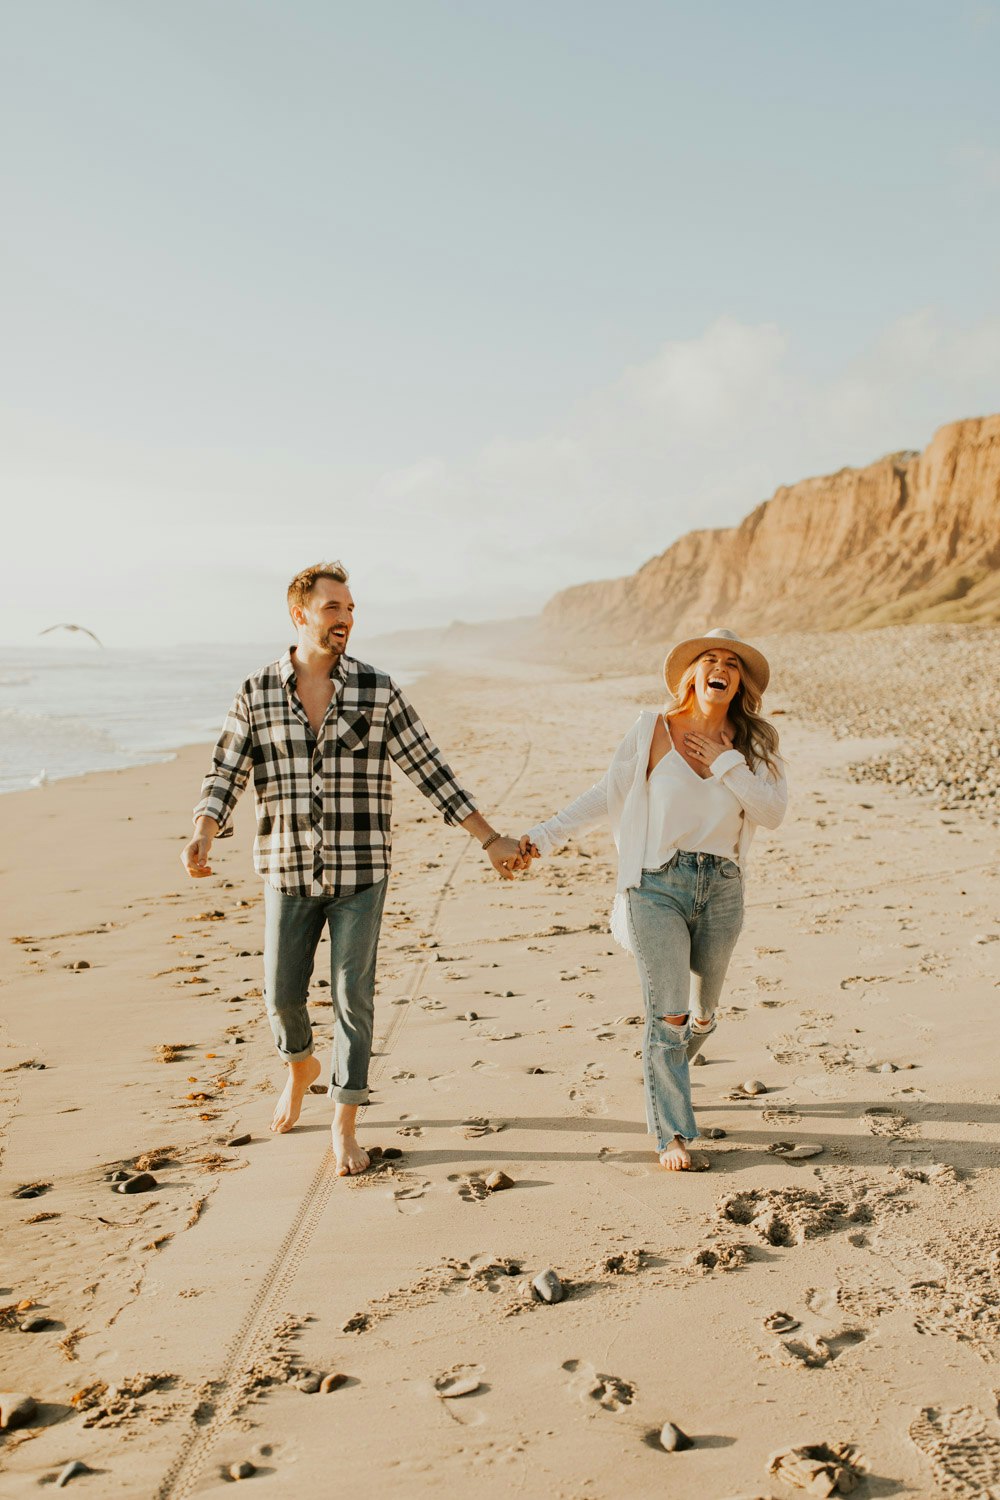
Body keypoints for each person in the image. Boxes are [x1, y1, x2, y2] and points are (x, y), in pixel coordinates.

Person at [182, 560, 528, 1176]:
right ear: (301, 615)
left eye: (350, 609)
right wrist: (205, 830)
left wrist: (490, 838)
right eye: (333, 608)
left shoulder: (377, 688)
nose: (346, 619)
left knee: (352, 998)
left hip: (362, 870)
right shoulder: (257, 690)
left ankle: (344, 1122)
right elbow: (227, 769)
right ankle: (300, 1067)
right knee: (282, 995)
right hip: (286, 869)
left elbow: (431, 769)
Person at [520, 628, 787, 1171]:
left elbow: (772, 812)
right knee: (668, 1014)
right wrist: (542, 838)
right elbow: (605, 793)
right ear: (691, 675)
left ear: (739, 682)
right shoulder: (651, 731)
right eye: (709, 660)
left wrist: (724, 762)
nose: (720, 668)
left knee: (703, 1013)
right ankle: (671, 1134)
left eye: (731, 663)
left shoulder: (754, 745)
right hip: (654, 885)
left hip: (722, 887)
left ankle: (673, 1067)